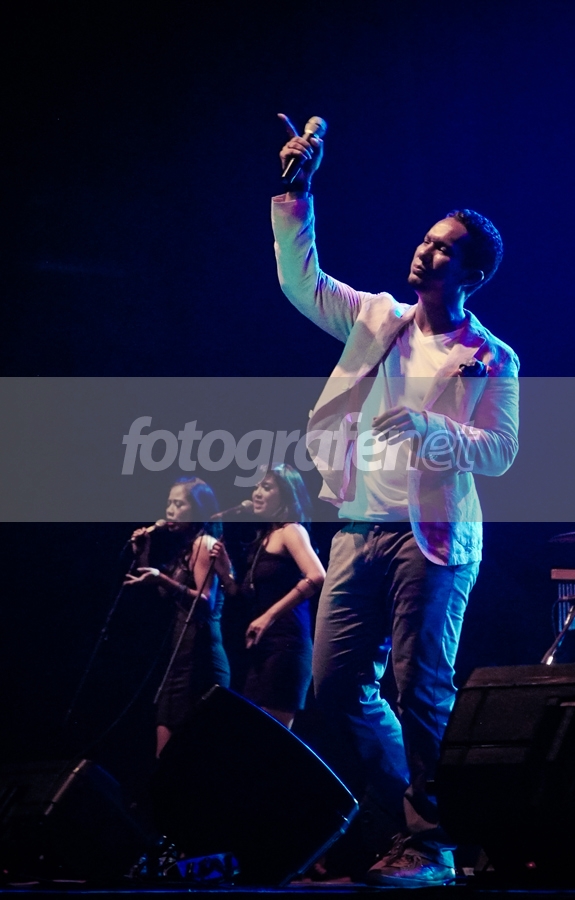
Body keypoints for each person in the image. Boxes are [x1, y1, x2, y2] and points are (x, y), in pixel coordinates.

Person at [271, 116, 519, 886]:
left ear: (471, 274)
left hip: (433, 540)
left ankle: (430, 846)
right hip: (358, 528)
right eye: (426, 239)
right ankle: (414, 825)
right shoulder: (377, 316)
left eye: (444, 248)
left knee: (422, 689)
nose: (425, 250)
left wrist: (429, 428)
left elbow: (501, 452)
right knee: (337, 684)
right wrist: (296, 194)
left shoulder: (489, 357)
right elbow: (302, 283)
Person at [125, 477, 234, 757]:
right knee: (166, 748)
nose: (170, 510)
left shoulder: (204, 544)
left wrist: (162, 578)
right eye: (169, 503)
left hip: (200, 658)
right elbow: (167, 595)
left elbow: (205, 603)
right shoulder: (185, 547)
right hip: (181, 658)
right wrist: (144, 556)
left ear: (197, 510)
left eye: (179, 504)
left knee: (190, 753)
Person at [213, 465, 325, 729]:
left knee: (269, 737)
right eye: (256, 487)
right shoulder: (264, 539)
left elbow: (317, 575)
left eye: (266, 487)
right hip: (263, 648)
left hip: (287, 645)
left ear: (286, 494)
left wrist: (268, 617)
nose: (257, 493)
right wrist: (225, 574)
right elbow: (244, 595)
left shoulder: (291, 531)